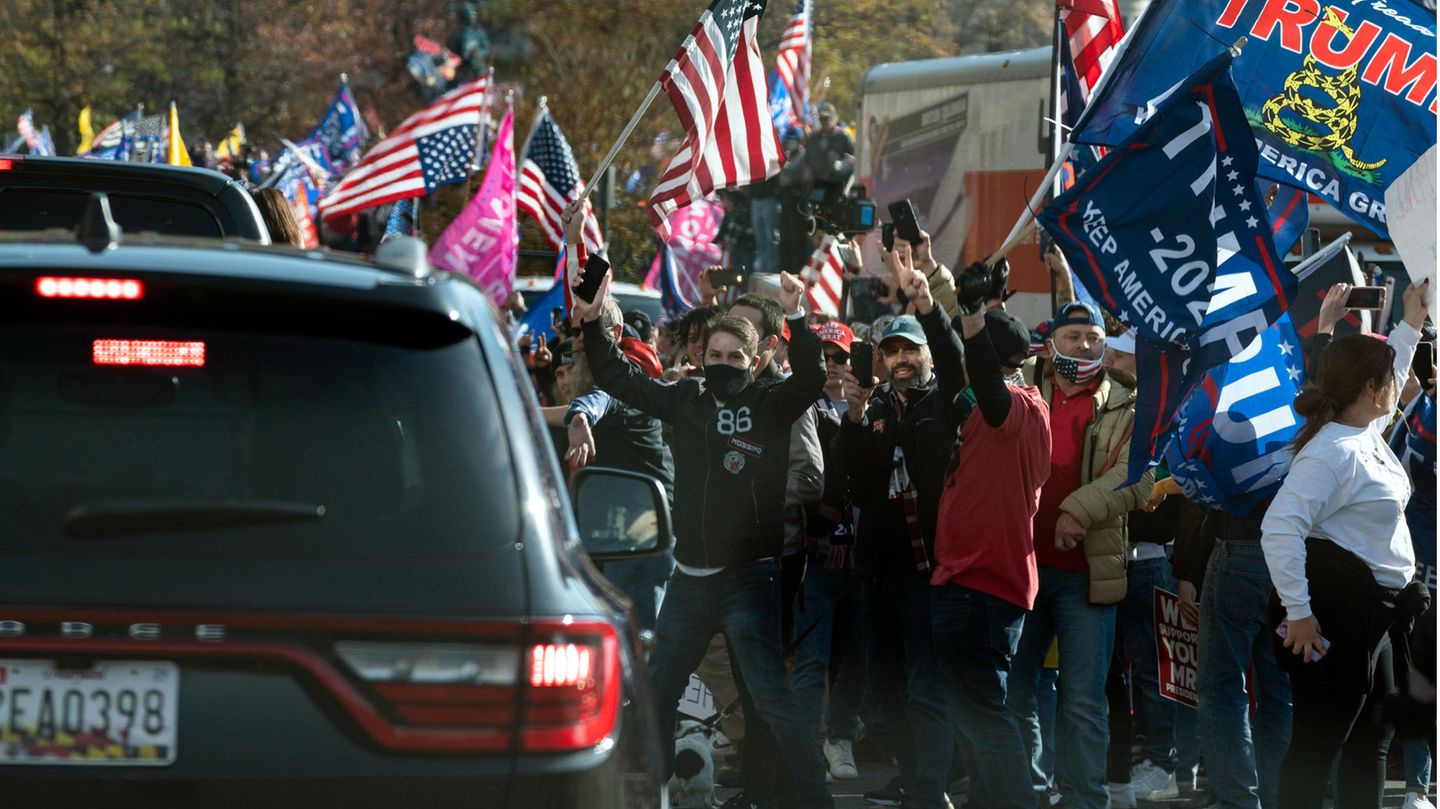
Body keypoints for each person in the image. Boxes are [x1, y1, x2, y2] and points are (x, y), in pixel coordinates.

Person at [569, 214, 832, 807]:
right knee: (658, 691)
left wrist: (797, 314)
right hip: (689, 578)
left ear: (757, 359)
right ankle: (649, 794)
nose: (721, 362)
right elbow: (618, 378)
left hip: (750, 579)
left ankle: (814, 799)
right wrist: (591, 322)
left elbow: (814, 375)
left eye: (734, 355)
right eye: (714, 352)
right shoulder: (686, 398)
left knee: (771, 698)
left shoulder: (771, 402)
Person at [1261, 280, 1431, 809]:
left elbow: (1395, 365)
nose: (1400, 386)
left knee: (1371, 745)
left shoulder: (1365, 432)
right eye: (1388, 382)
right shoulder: (1332, 450)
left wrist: (1411, 320)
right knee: (1319, 747)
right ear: (1369, 388)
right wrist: (1300, 613)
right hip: (1336, 618)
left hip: (1377, 618)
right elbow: (1279, 527)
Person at [834, 244, 967, 809]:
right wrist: (858, 420)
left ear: (927, 355)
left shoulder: (948, 402)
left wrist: (929, 304)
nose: (900, 359)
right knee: (888, 688)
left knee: (927, 688)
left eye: (909, 350)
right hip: (881, 571)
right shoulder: (878, 405)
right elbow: (854, 486)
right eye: (891, 352)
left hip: (932, 569)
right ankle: (912, 775)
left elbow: (958, 363)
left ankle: (932, 787)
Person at [1009, 300, 1149, 809]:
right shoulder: (1019, 391)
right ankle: (1025, 793)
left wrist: (1076, 511)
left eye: (1093, 338)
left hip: (1087, 575)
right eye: (1073, 338)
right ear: (1050, 345)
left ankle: (1085, 800)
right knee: (1014, 690)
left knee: (1083, 700)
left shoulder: (1127, 404)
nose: (1085, 346)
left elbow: (1136, 477)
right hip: (1019, 572)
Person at [928, 297, 1052, 809]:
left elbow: (980, 376)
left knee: (986, 713)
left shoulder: (1019, 407)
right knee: (977, 716)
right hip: (966, 582)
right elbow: (956, 364)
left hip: (983, 585)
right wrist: (927, 307)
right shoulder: (982, 405)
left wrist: (973, 318)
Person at [1099, 329, 1199, 806]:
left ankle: (1163, 763)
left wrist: (1185, 569)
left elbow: (1182, 487)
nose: (1109, 358)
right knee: (1112, 670)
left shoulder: (1167, 416)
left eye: (1118, 351)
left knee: (1159, 673)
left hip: (1152, 563)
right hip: (1107, 560)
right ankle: (1134, 759)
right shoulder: (1107, 410)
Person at [792, 320, 869, 781]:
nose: (833, 366)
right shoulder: (799, 405)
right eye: (824, 356)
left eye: (841, 356)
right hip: (815, 553)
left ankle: (838, 738)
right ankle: (802, 750)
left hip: (866, 556)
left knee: (858, 658)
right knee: (811, 658)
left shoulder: (876, 406)